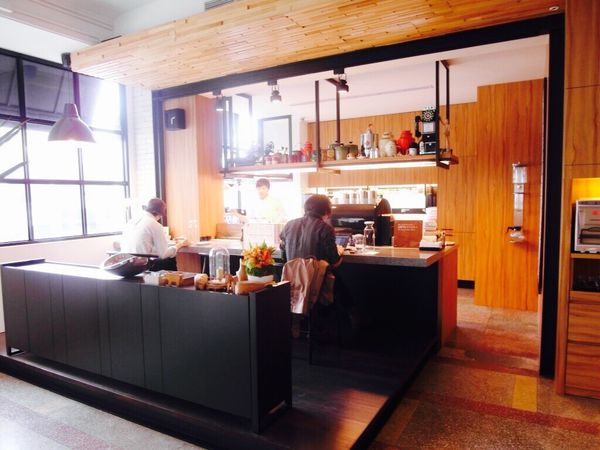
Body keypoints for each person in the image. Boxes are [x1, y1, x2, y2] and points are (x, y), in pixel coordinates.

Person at [120, 198, 188, 271]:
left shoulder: (131, 221)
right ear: (158, 214)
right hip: (141, 267)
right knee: (170, 259)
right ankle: (173, 278)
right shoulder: (154, 224)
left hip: (124, 266)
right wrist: (180, 245)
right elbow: (163, 254)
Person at [279, 194, 342, 267]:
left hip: (291, 273)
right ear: (326, 211)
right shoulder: (325, 228)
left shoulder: (289, 225)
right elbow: (335, 262)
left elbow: (283, 254)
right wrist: (340, 251)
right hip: (315, 274)